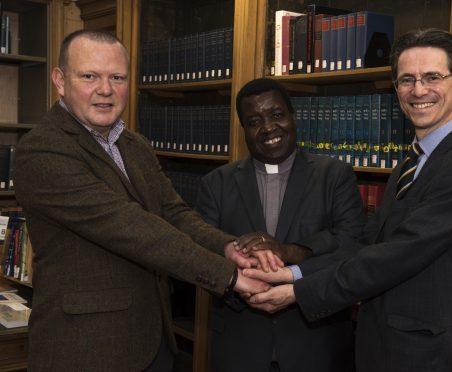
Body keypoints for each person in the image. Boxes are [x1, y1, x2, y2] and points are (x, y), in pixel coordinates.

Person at [246, 28, 452, 372]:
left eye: (432, 77)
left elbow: (397, 254)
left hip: (439, 354)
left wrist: (299, 293)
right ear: (397, 89)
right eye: (406, 80)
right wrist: (293, 274)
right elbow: (370, 243)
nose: (419, 90)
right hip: (393, 347)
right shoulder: (412, 162)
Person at [13, 29, 269, 372]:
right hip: (86, 350)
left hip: (152, 341)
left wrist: (228, 248)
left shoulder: (134, 144)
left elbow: (173, 212)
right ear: (60, 81)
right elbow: (130, 226)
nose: (105, 90)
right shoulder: (41, 150)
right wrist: (229, 276)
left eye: (117, 77)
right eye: (89, 76)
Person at [195, 77, 367, 372]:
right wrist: (246, 284)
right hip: (241, 348)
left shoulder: (334, 175)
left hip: (317, 348)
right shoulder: (216, 184)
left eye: (277, 115)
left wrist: (286, 251)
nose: (268, 128)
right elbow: (202, 256)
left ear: (292, 117)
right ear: (243, 130)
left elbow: (351, 246)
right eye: (254, 121)